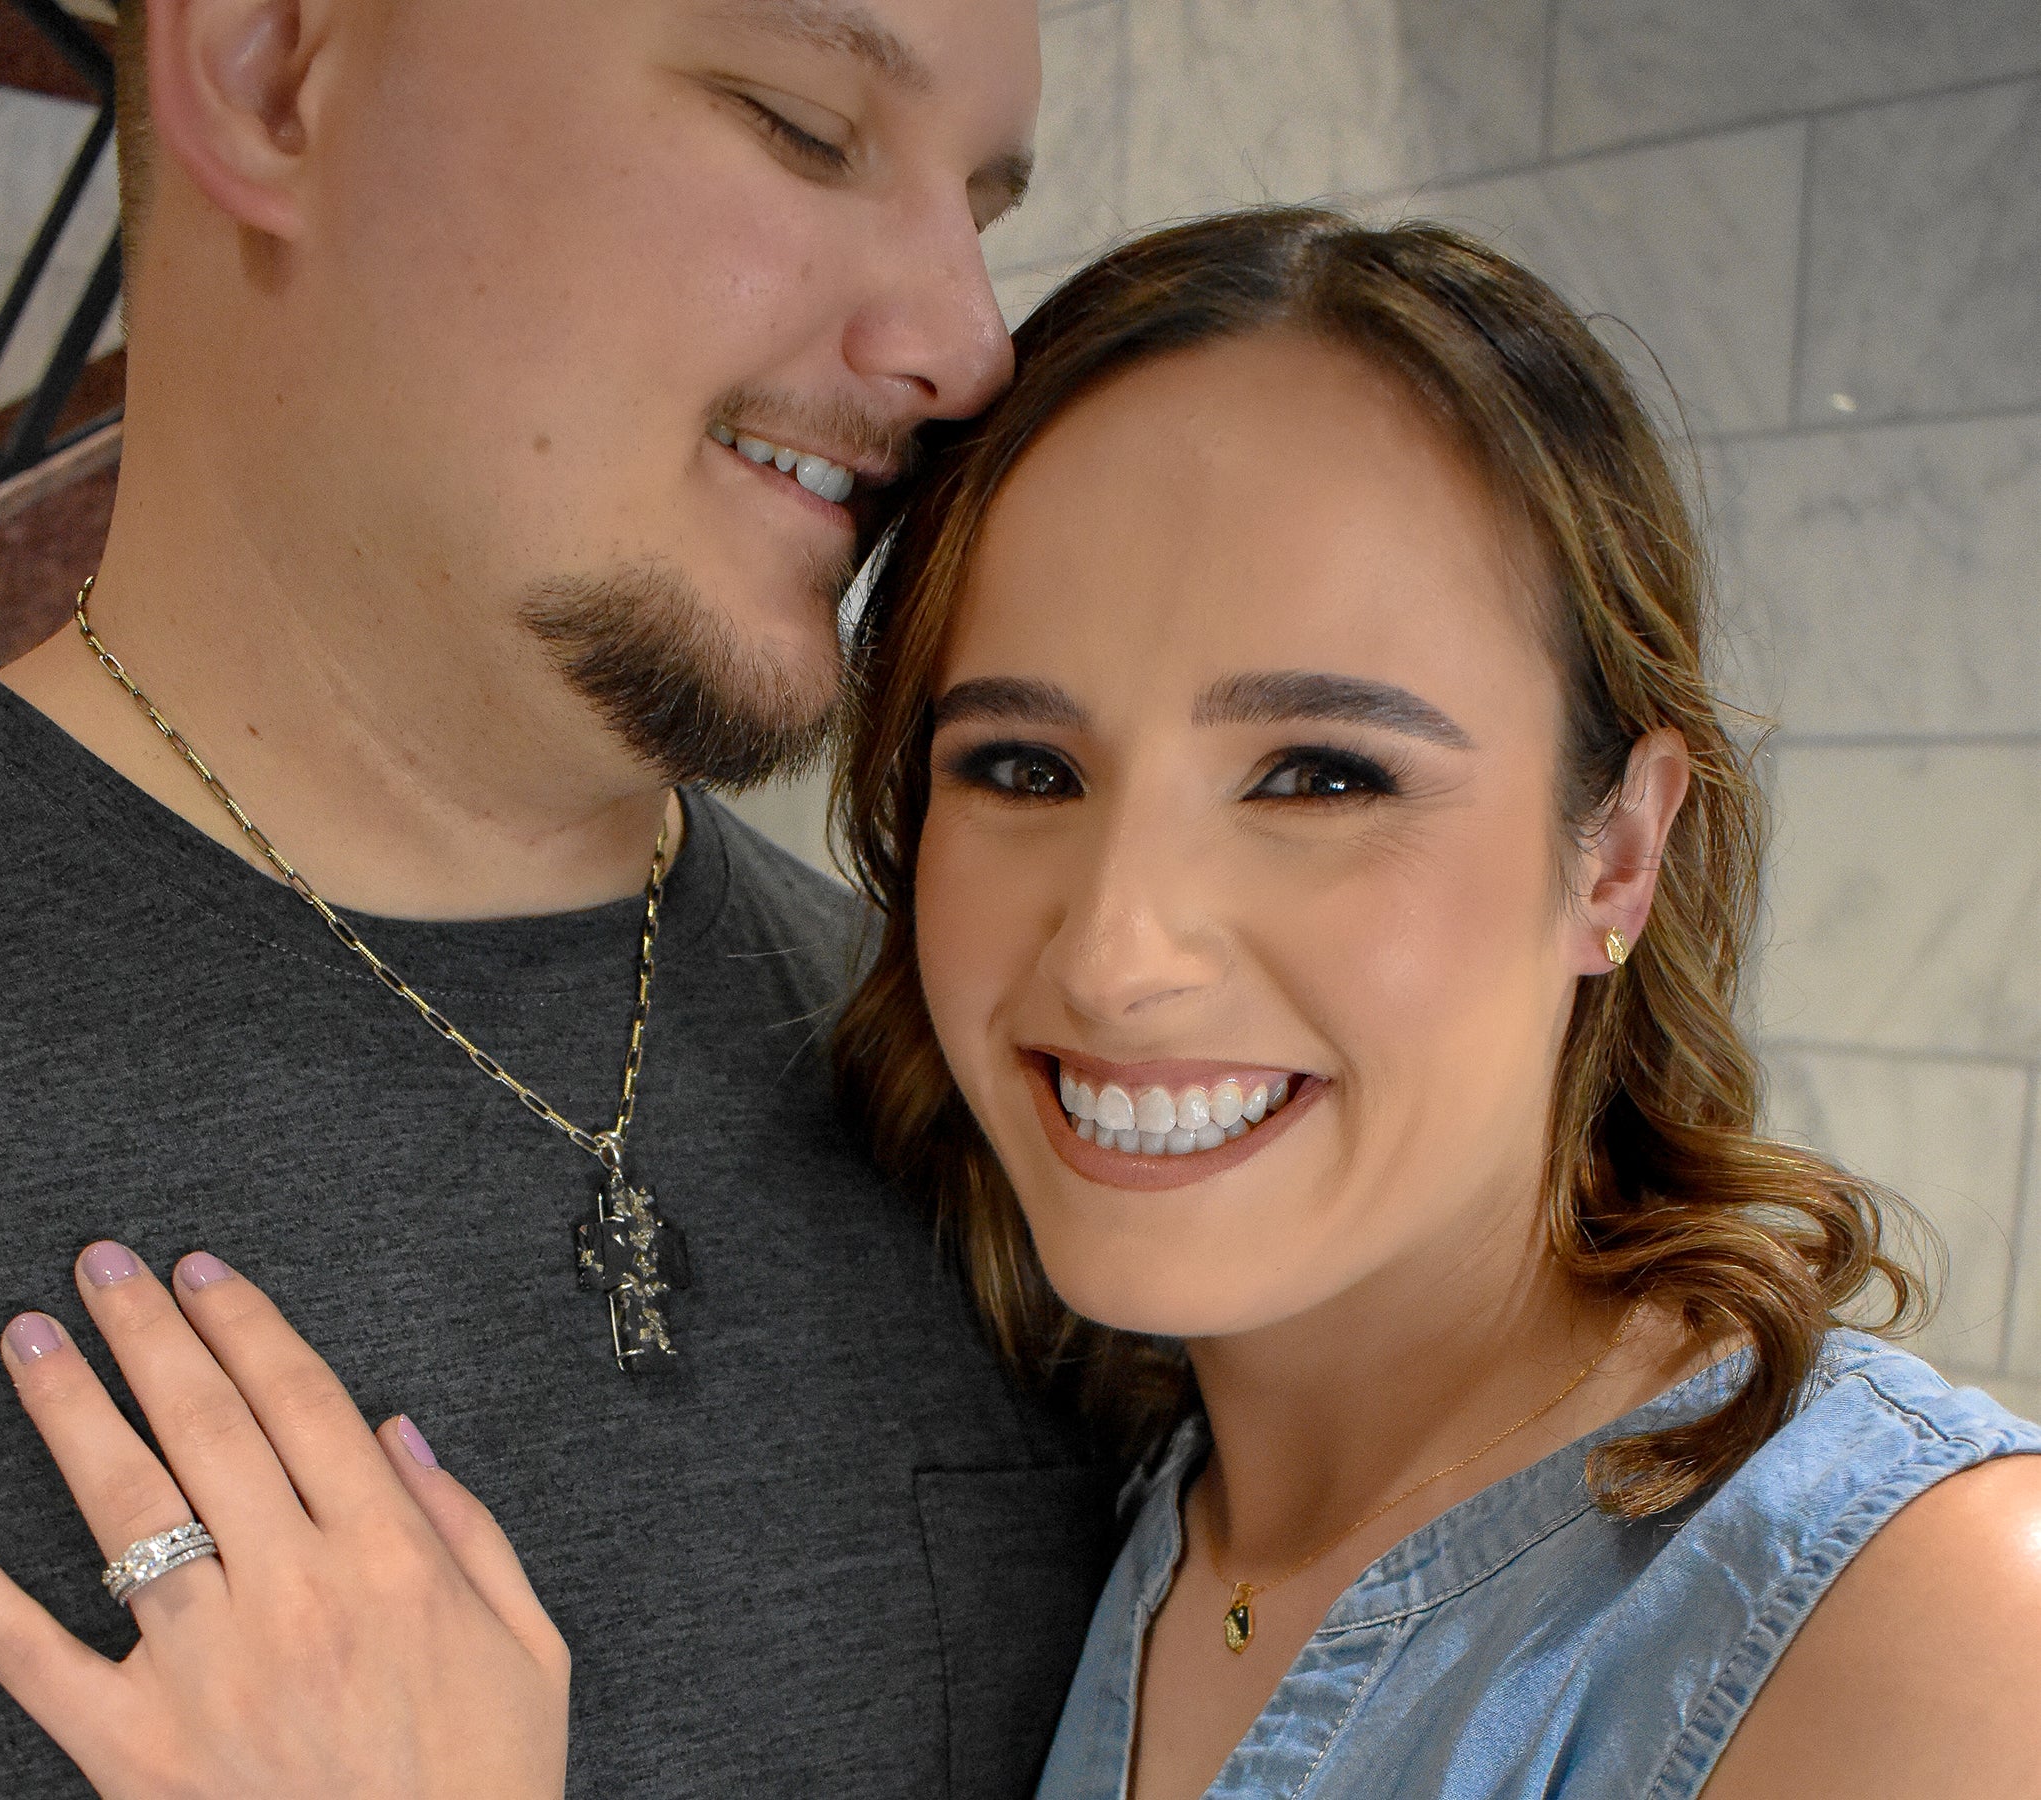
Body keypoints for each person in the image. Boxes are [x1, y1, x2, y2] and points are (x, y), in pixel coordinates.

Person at [0, 1, 1121, 1795]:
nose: (968, 345)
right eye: (802, 127)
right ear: (275, 71)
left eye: (981, 206)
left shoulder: (1009, 1100)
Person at [830, 207, 2041, 1795]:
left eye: (1321, 776)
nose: (1115, 954)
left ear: (1618, 852)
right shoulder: (1107, 1508)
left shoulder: (1928, 1624)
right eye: (1023, 767)